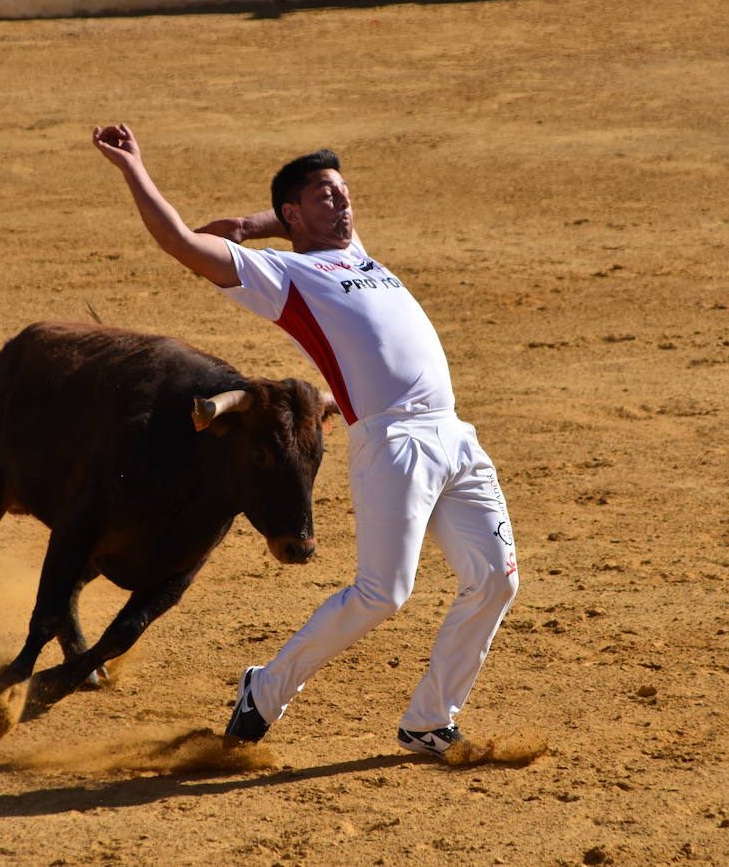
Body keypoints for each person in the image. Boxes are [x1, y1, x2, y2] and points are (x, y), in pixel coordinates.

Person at [92, 123, 518, 758]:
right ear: (295, 213)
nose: (342, 201)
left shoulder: (357, 253)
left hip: (454, 434)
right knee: (382, 594)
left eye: (343, 191)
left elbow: (287, 216)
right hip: (393, 440)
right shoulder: (284, 276)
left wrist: (253, 220)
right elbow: (181, 241)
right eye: (324, 194)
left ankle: (430, 719)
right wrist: (134, 168)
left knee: (496, 581)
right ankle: (264, 690)